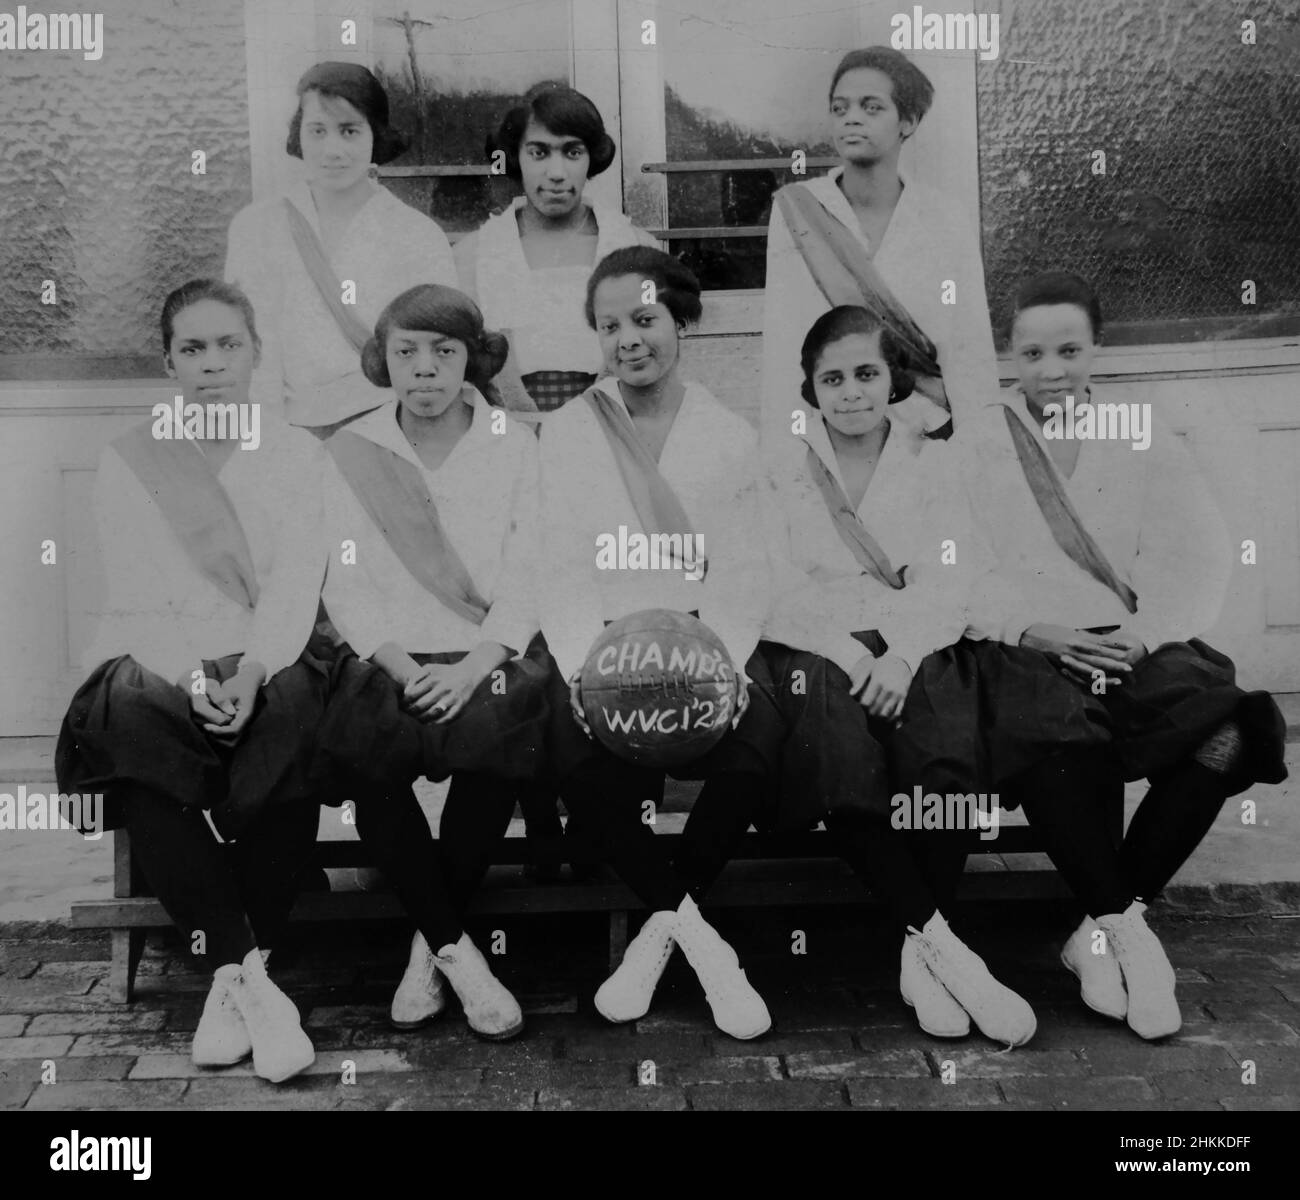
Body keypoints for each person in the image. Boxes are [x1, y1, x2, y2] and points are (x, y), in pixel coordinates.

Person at [956, 271, 1288, 1039]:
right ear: (1009, 353)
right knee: (1046, 736)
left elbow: (1199, 551)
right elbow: (954, 565)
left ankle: (1099, 931)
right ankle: (1128, 933)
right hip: (1025, 647)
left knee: (1228, 729)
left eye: (1069, 350)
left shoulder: (1136, 430)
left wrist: (1145, 634)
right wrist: (1029, 629)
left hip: (1125, 642)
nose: (1050, 371)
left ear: (1096, 349)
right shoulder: (978, 439)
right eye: (1032, 352)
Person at [56, 280, 331, 1082]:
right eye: (193, 349)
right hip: (164, 652)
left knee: (294, 719)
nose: (212, 365)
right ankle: (243, 975)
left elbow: (294, 587)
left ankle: (240, 974)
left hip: (266, 652)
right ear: (169, 360)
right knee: (133, 724)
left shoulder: (296, 453)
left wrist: (250, 671)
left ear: (255, 353)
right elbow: (137, 593)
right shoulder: (131, 458)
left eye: (228, 346)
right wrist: (187, 676)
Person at [753, 305, 1036, 1045]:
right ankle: (951, 951)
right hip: (815, 645)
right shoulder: (779, 463)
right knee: (840, 762)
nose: (851, 392)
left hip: (914, 638)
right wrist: (851, 657)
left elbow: (954, 573)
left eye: (867, 374)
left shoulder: (931, 460)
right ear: (810, 389)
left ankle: (918, 958)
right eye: (833, 378)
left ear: (893, 379)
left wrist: (904, 654)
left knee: (941, 767)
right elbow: (769, 582)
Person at [538, 246, 781, 1040]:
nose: (627, 340)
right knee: (576, 759)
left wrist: (723, 663)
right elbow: (558, 563)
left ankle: (661, 933)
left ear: (683, 320)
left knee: (755, 748)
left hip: (704, 649)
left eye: (644, 319)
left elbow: (747, 568)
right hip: (605, 651)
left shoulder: (728, 433)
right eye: (609, 326)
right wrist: (586, 668)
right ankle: (703, 945)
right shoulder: (572, 432)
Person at [310, 284, 551, 1040]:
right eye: (406, 351)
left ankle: (430, 948)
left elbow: (532, 566)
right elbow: (342, 578)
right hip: (389, 655)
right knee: (368, 753)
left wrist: (478, 662)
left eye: (445, 351)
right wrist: (402, 665)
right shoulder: (350, 449)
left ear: (472, 360)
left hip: (486, 651)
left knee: (497, 742)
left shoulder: (514, 441)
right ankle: (458, 953)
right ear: (382, 359)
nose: (425, 369)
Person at [760, 46, 1001, 445]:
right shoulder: (799, 211)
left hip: (929, 432)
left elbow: (969, 347)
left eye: (871, 107)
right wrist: (785, 453)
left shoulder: (944, 218)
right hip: (833, 433)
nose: (851, 118)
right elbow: (785, 344)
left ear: (908, 121)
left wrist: (979, 448)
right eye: (840, 108)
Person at [225, 62, 458, 430]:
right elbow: (251, 351)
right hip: (289, 430)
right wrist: (267, 442)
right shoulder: (257, 227)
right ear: (298, 135)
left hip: (390, 429)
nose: (332, 149)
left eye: (349, 131)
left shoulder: (416, 234)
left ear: (375, 136)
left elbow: (440, 355)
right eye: (317, 131)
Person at [454, 84, 658, 414]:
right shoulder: (475, 255)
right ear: (516, 157)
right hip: (508, 433)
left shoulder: (635, 248)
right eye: (538, 153)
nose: (557, 173)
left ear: (592, 158)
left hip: (614, 428)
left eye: (572, 152)